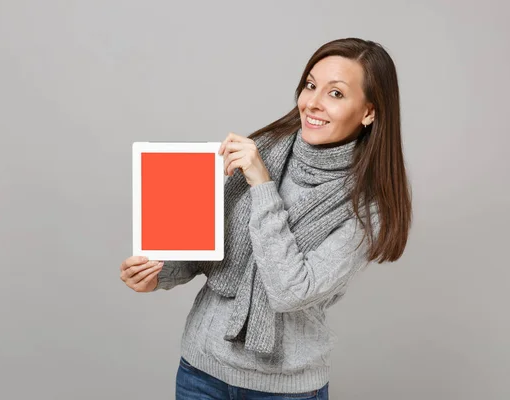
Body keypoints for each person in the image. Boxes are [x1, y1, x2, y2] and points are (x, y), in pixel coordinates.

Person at [120, 37, 412, 399]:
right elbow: (205, 246)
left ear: (369, 112)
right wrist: (157, 274)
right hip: (201, 372)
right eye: (310, 85)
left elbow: (290, 291)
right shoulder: (266, 148)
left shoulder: (367, 209)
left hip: (283, 390)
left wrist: (262, 185)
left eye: (335, 94)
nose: (313, 103)